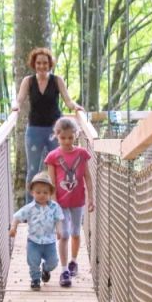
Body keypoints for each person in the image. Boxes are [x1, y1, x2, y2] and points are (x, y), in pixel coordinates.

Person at [11, 48, 84, 201]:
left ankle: (59, 205)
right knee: (32, 170)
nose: (42, 66)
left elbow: (68, 100)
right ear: (34, 64)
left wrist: (75, 107)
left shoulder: (57, 80)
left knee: (59, 168)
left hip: (55, 132)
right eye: (38, 63)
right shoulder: (28, 81)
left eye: (45, 63)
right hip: (34, 130)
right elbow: (19, 99)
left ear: (50, 64)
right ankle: (31, 208)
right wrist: (15, 106)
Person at [44, 117, 94, 287]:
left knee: (75, 233)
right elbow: (51, 182)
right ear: (57, 136)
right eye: (63, 137)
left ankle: (73, 261)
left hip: (78, 200)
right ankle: (64, 271)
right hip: (60, 203)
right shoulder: (53, 157)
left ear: (76, 136)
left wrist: (91, 198)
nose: (66, 141)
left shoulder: (81, 154)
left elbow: (87, 176)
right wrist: (53, 202)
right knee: (64, 234)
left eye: (70, 137)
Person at [9, 172, 64, 291]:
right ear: (32, 192)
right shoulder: (29, 208)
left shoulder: (54, 207)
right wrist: (13, 228)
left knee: (53, 262)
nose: (41, 195)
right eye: (38, 192)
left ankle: (46, 269)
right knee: (33, 262)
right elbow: (17, 217)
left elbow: (58, 219)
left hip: (49, 241)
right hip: (33, 242)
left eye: (45, 192)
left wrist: (59, 230)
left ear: (50, 193)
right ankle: (35, 279)